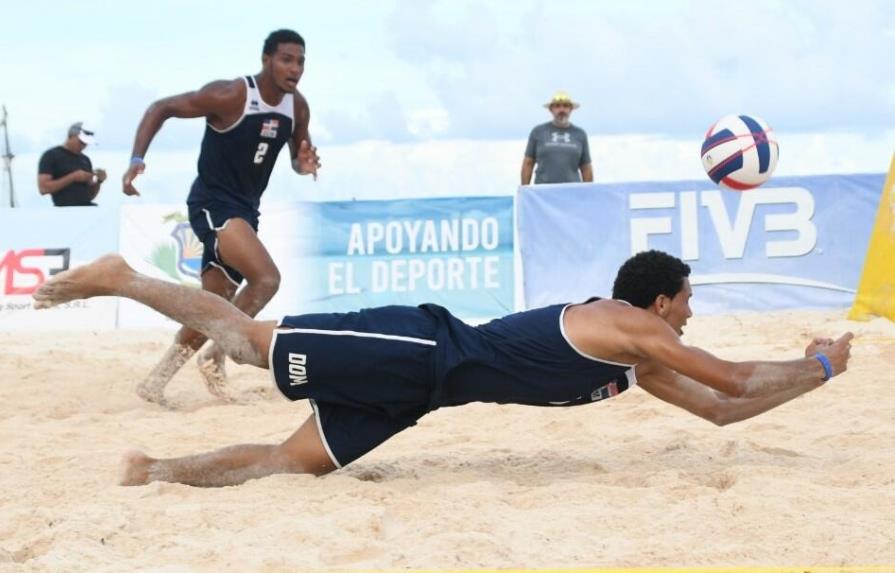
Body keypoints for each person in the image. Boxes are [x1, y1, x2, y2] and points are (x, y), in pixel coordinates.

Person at [32, 249, 853, 488]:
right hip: (423, 345)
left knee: (294, 463)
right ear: (661, 301)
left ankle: (154, 471)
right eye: (686, 302)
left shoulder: (633, 360)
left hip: (420, 394)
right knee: (247, 342)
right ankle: (121, 276)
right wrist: (814, 357)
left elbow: (718, 411)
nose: (689, 316)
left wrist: (818, 376)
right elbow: (734, 378)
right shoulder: (629, 324)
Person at [120, 29, 321, 406]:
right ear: (267, 60)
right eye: (286, 59)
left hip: (246, 209)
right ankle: (218, 352)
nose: (295, 68)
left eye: (301, 61)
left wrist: (302, 162)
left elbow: (297, 156)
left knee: (214, 304)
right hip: (212, 203)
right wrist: (135, 161)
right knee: (266, 279)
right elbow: (160, 108)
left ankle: (155, 382)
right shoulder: (231, 95)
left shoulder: (297, 107)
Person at [521, 91, 593, 186]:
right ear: (551, 109)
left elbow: (586, 167)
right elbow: (528, 163)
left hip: (572, 191)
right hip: (543, 192)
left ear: (571, 109)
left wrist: (588, 192)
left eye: (565, 106)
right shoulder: (538, 132)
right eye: (557, 106)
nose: (561, 110)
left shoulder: (580, 134)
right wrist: (525, 190)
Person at [37, 123, 106, 206]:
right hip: (64, 209)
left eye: (86, 143)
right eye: (81, 142)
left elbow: (89, 196)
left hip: (86, 208)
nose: (84, 146)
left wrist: (98, 181)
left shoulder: (85, 159)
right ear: (71, 136)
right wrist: (73, 177)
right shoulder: (51, 156)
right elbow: (43, 188)